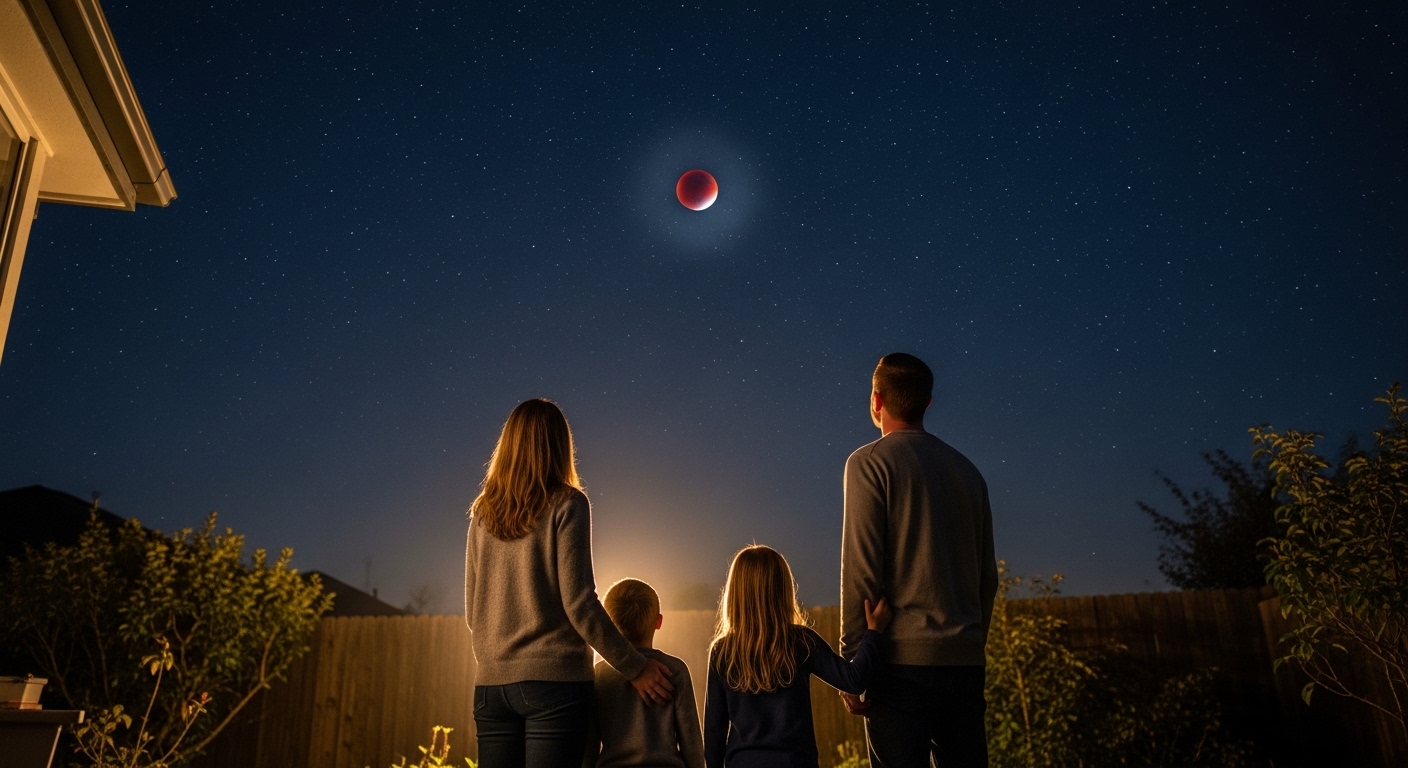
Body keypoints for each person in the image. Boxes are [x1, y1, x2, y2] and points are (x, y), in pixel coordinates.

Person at [465, 398, 674, 768]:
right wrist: (635, 667)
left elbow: (473, 610)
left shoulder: (482, 513)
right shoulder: (568, 503)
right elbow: (579, 603)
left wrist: (496, 664)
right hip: (554, 687)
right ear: (560, 446)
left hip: (490, 689)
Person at [839, 353, 999, 768]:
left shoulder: (869, 463)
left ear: (876, 400)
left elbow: (861, 570)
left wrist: (853, 663)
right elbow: (987, 579)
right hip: (963, 664)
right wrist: (969, 645)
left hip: (898, 666)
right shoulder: (969, 473)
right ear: (928, 402)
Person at [704, 545, 891, 768]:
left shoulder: (722, 651)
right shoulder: (801, 641)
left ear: (734, 594)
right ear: (782, 589)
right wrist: (874, 633)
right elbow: (853, 680)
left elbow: (714, 733)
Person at [584, 578, 705, 768]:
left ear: (609, 623)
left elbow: (588, 745)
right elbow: (692, 745)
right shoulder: (675, 670)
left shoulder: (598, 675)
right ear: (659, 622)